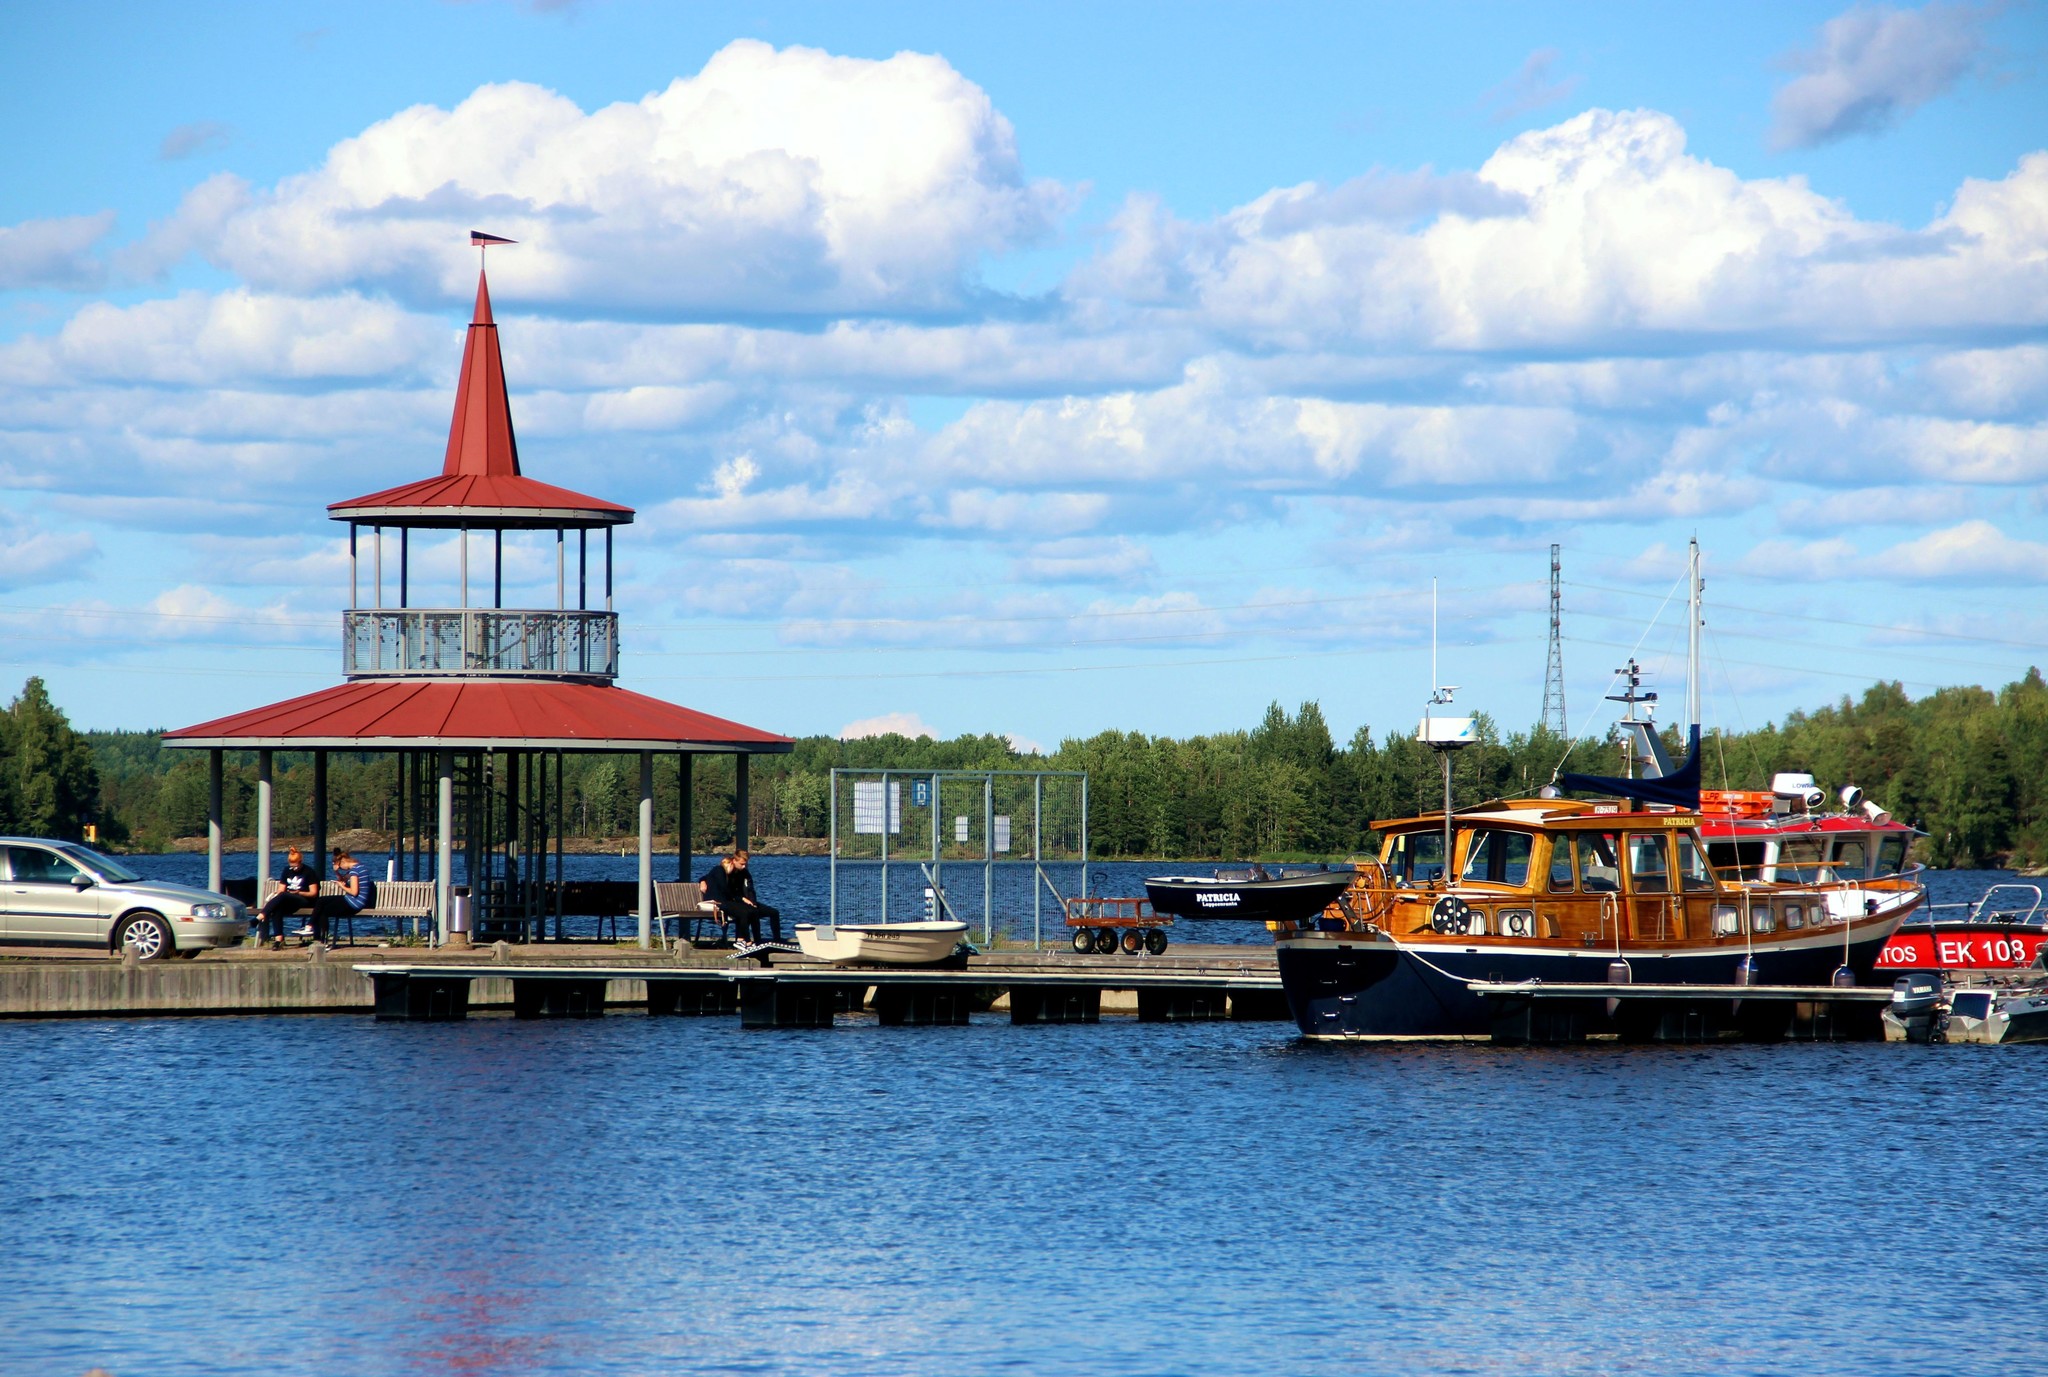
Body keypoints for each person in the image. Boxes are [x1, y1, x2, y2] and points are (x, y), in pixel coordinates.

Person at [301, 848, 375, 948]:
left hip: (354, 903)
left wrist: (341, 886)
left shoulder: (355, 872)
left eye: (340, 867)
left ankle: (322, 939)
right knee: (322, 900)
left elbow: (354, 892)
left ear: (343, 862)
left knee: (323, 910)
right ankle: (310, 926)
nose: (341, 869)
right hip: (352, 900)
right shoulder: (359, 867)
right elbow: (343, 879)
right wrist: (337, 873)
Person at [257, 847, 322, 950]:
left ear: (300, 862)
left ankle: (260, 916)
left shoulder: (309, 872)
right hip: (290, 899)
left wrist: (298, 892)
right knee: (277, 908)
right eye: (291, 866)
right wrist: (280, 894)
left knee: (283, 895)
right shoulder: (287, 871)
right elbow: (281, 889)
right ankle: (279, 940)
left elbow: (313, 893)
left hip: (304, 899)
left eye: (295, 866)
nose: (293, 869)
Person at [727, 850, 782, 943]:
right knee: (751, 912)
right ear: (734, 861)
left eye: (745, 864)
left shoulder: (745, 873)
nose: (744, 866)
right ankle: (755, 940)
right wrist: (702, 880)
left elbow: (750, 890)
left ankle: (777, 940)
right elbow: (728, 891)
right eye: (741, 864)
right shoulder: (728, 872)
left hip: (749, 902)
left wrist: (753, 902)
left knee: (774, 913)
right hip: (735, 902)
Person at [699, 853, 750, 945]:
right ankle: (742, 940)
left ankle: (743, 939)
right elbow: (724, 889)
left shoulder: (724, 873)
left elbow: (707, 877)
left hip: (723, 901)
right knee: (742, 912)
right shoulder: (719, 870)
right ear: (730, 864)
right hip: (717, 902)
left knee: (745, 910)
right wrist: (740, 899)